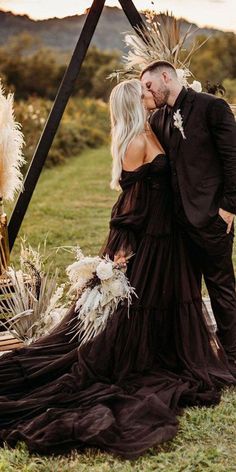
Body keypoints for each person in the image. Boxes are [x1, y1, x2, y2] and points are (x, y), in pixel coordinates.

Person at [0, 79, 234, 460]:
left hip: (169, 240)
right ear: (132, 103)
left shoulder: (151, 127)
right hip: (150, 244)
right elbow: (131, 208)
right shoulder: (135, 142)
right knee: (133, 315)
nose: (148, 96)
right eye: (142, 93)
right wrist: (119, 252)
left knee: (166, 304)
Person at [141, 61, 236, 374]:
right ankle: (195, 354)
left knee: (221, 288)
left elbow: (232, 159)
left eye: (149, 85)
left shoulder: (212, 108)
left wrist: (228, 208)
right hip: (179, 223)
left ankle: (232, 356)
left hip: (212, 218)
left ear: (166, 76)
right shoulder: (159, 118)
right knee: (187, 292)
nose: (148, 92)